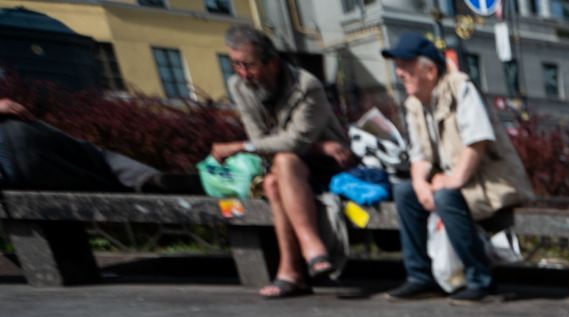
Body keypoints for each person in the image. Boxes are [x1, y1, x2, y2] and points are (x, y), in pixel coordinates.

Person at [382, 33, 533, 304]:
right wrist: (420, 184)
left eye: (405, 65)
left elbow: (478, 141)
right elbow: (419, 155)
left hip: (490, 181)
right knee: (405, 192)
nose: (399, 72)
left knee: (447, 196)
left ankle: (480, 279)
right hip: (456, 180)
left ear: (429, 70)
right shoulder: (414, 104)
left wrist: (452, 180)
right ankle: (420, 277)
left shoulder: (461, 87)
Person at [212, 25, 352, 300]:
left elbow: (292, 143)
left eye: (249, 65)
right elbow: (262, 139)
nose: (242, 73)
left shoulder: (307, 86)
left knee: (283, 165)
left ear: (272, 62)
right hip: (292, 161)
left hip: (329, 165)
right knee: (275, 179)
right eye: (236, 65)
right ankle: (304, 260)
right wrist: (313, 144)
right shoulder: (239, 87)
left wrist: (240, 146)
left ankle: (296, 266)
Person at [0, 98, 192, 194]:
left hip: (14, 159)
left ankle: (145, 181)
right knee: (96, 158)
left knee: (95, 174)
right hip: (16, 141)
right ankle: (148, 178)